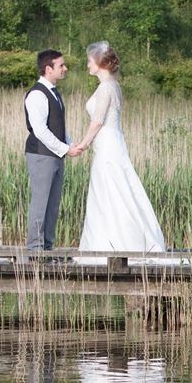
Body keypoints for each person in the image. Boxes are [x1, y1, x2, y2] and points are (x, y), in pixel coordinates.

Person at [68, 42, 165, 263]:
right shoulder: (114, 85)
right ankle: (110, 239)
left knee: (110, 189)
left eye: (89, 62)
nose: (87, 65)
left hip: (107, 143)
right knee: (113, 189)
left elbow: (98, 121)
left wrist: (82, 144)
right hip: (112, 142)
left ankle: (114, 242)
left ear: (99, 64)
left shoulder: (105, 88)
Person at [24, 49, 70, 252]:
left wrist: (70, 146)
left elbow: (59, 126)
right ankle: (35, 249)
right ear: (48, 68)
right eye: (61, 65)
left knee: (52, 204)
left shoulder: (55, 92)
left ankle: (47, 248)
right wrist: (64, 149)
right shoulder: (37, 94)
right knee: (41, 202)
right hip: (41, 154)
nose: (65, 68)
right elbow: (40, 130)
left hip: (55, 154)